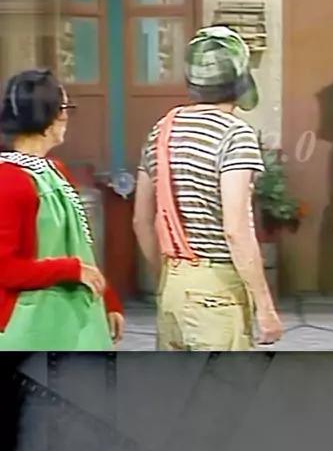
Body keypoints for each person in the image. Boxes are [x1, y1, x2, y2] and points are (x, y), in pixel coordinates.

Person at [133, 25, 283, 351]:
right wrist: (265, 307)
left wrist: (168, 277)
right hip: (218, 292)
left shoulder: (161, 130)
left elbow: (141, 220)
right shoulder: (235, 135)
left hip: (172, 284)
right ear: (239, 82)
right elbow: (236, 229)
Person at [0, 69, 124, 350]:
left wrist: (107, 300)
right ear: (49, 115)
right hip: (29, 329)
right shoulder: (7, 180)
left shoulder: (55, 170)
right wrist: (70, 270)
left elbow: (80, 245)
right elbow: (4, 267)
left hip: (74, 322)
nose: (67, 116)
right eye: (64, 107)